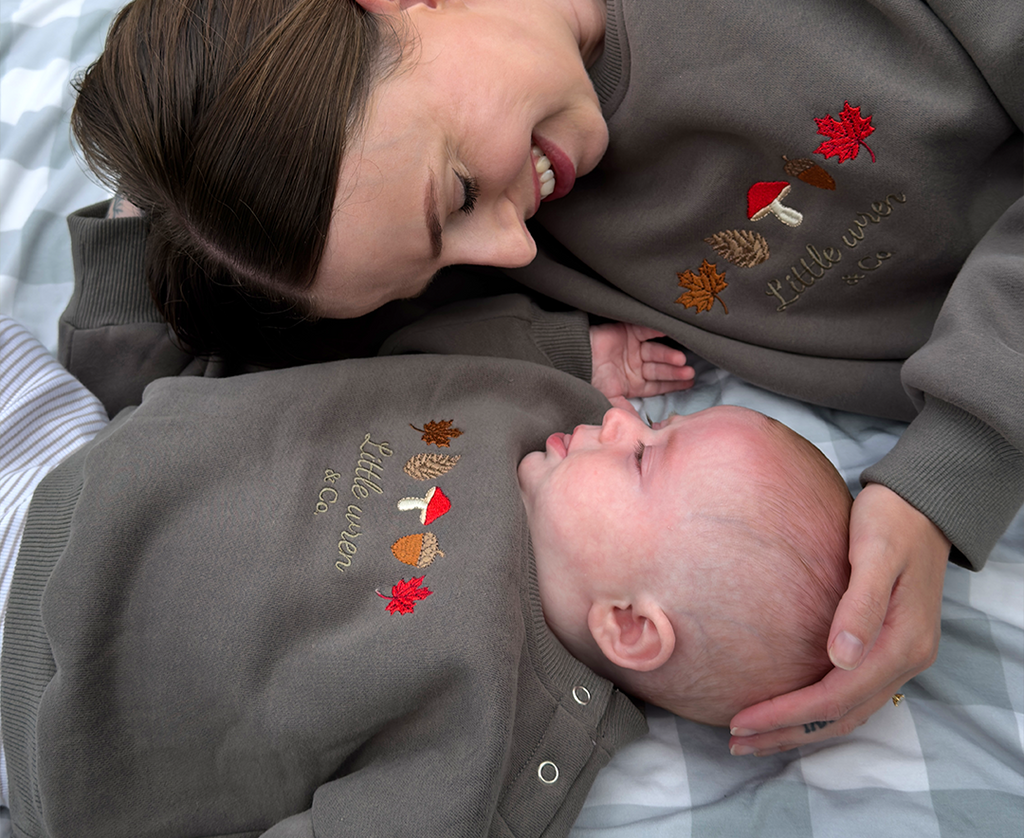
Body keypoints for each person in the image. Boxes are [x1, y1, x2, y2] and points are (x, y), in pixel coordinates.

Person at [62, 0, 1021, 757]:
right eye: (440, 261)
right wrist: (191, 98)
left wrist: (961, 462)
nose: (516, 254)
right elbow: (150, 384)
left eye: (462, 196)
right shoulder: (414, 210)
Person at [0, 309, 851, 837]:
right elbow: (418, 344)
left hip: (42, 685)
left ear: (628, 625)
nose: (627, 422)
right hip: (68, 450)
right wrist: (570, 349)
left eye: (644, 461)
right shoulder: (549, 416)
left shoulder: (507, 738)